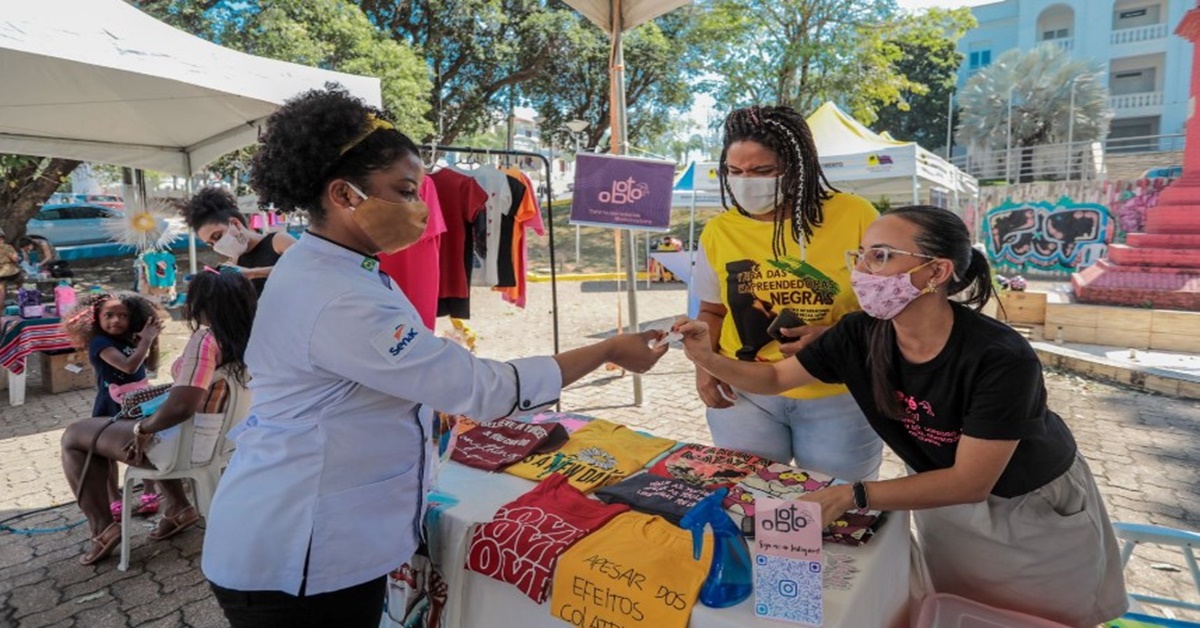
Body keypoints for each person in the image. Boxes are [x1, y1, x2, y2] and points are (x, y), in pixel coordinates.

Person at [200, 87, 668, 627]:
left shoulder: (339, 268)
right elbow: (484, 390)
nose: (422, 208)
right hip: (296, 553)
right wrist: (608, 349)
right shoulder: (337, 294)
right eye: (404, 191)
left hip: (315, 535)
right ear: (344, 195)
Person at [676, 205, 1127, 627]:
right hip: (941, 499)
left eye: (881, 256)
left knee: (1038, 617)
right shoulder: (860, 334)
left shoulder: (1000, 357)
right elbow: (774, 379)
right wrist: (705, 356)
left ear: (935, 271)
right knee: (955, 608)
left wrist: (848, 496)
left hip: (1028, 509)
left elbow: (972, 482)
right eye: (860, 256)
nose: (861, 271)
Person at [691, 105, 882, 481]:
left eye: (763, 171)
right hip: (744, 393)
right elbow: (712, 311)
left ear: (798, 167)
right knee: (750, 498)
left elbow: (890, 309)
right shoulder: (718, 231)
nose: (747, 182)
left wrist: (835, 338)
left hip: (838, 394)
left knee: (841, 507)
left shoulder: (855, 214)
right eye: (734, 172)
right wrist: (705, 368)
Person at [60, 270, 258, 565]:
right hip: (222, 440)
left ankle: (102, 528)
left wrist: (143, 429)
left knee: (75, 435)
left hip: (187, 446)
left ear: (205, 305)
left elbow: (182, 406)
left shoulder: (206, 340)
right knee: (118, 426)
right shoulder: (252, 336)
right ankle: (179, 507)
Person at [62, 291, 165, 521]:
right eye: (108, 315)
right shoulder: (100, 342)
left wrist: (151, 339)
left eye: (123, 315)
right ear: (96, 319)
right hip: (111, 403)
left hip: (139, 402)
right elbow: (128, 366)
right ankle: (114, 498)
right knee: (106, 454)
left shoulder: (131, 338)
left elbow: (151, 364)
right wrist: (146, 340)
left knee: (143, 445)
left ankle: (149, 493)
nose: (115, 320)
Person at [182, 186, 296, 296]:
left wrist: (252, 273)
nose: (217, 246)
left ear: (236, 223)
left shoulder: (278, 241)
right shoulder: (235, 263)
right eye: (211, 244)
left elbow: (307, 267)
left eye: (217, 236)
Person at [0, 228, 21, 303]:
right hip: (10, 272)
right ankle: (22, 300)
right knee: (20, 280)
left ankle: (0, 311)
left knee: (1, 288)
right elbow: (15, 259)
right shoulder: (7, 247)